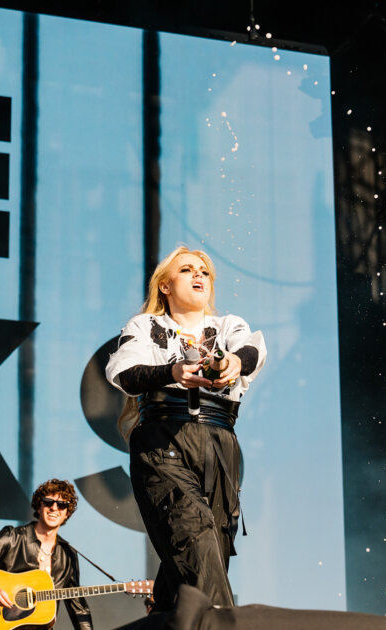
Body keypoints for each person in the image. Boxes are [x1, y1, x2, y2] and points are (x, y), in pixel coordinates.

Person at [105, 245, 266, 613]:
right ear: (164, 285)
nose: (199, 276)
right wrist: (173, 372)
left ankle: (164, 616)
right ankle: (223, 626)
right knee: (194, 537)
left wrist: (234, 362)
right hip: (164, 441)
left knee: (211, 551)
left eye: (205, 272)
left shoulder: (227, 326)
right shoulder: (145, 327)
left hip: (220, 444)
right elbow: (126, 375)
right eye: (187, 270)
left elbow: (251, 351)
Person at [0, 479, 93, 630]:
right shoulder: (13, 537)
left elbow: (79, 609)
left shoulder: (68, 555)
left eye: (61, 505)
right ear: (39, 506)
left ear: (67, 513)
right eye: (48, 502)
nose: (54, 508)